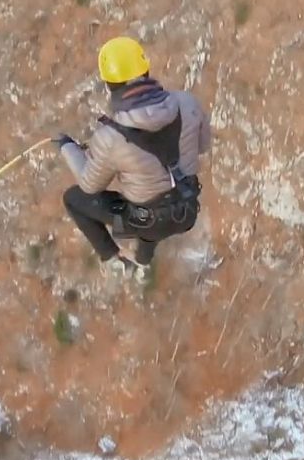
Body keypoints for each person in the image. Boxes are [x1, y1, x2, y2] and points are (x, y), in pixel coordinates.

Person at [56, 36, 212, 279]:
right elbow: (202, 146)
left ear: (109, 85)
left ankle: (114, 256)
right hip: (187, 211)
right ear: (145, 71)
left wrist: (67, 146)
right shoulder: (187, 103)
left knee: (75, 199)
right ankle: (142, 257)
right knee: (147, 208)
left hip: (146, 222)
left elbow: (89, 185)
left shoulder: (110, 138)